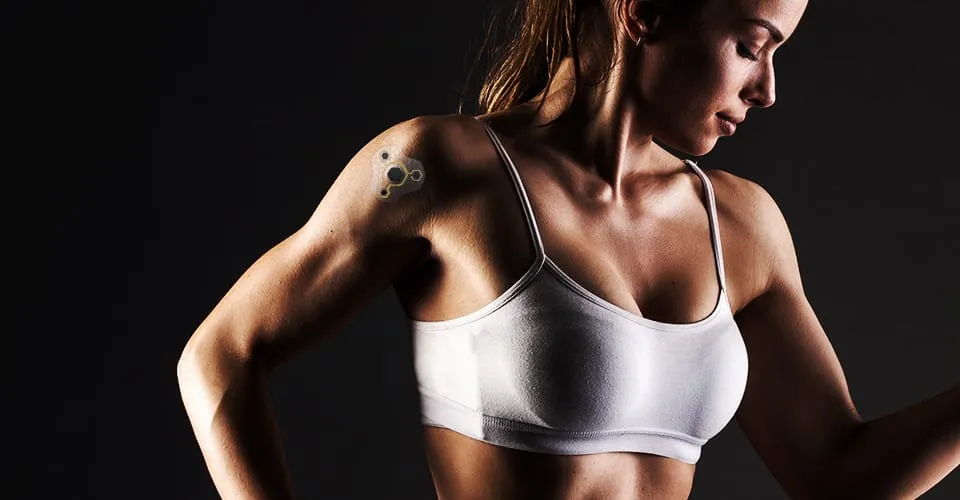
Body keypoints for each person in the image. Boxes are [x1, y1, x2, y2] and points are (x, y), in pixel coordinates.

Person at [177, 0, 960, 498]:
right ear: (645, 11)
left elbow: (840, 475)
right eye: (753, 46)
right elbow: (220, 356)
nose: (768, 90)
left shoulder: (743, 226)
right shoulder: (441, 170)